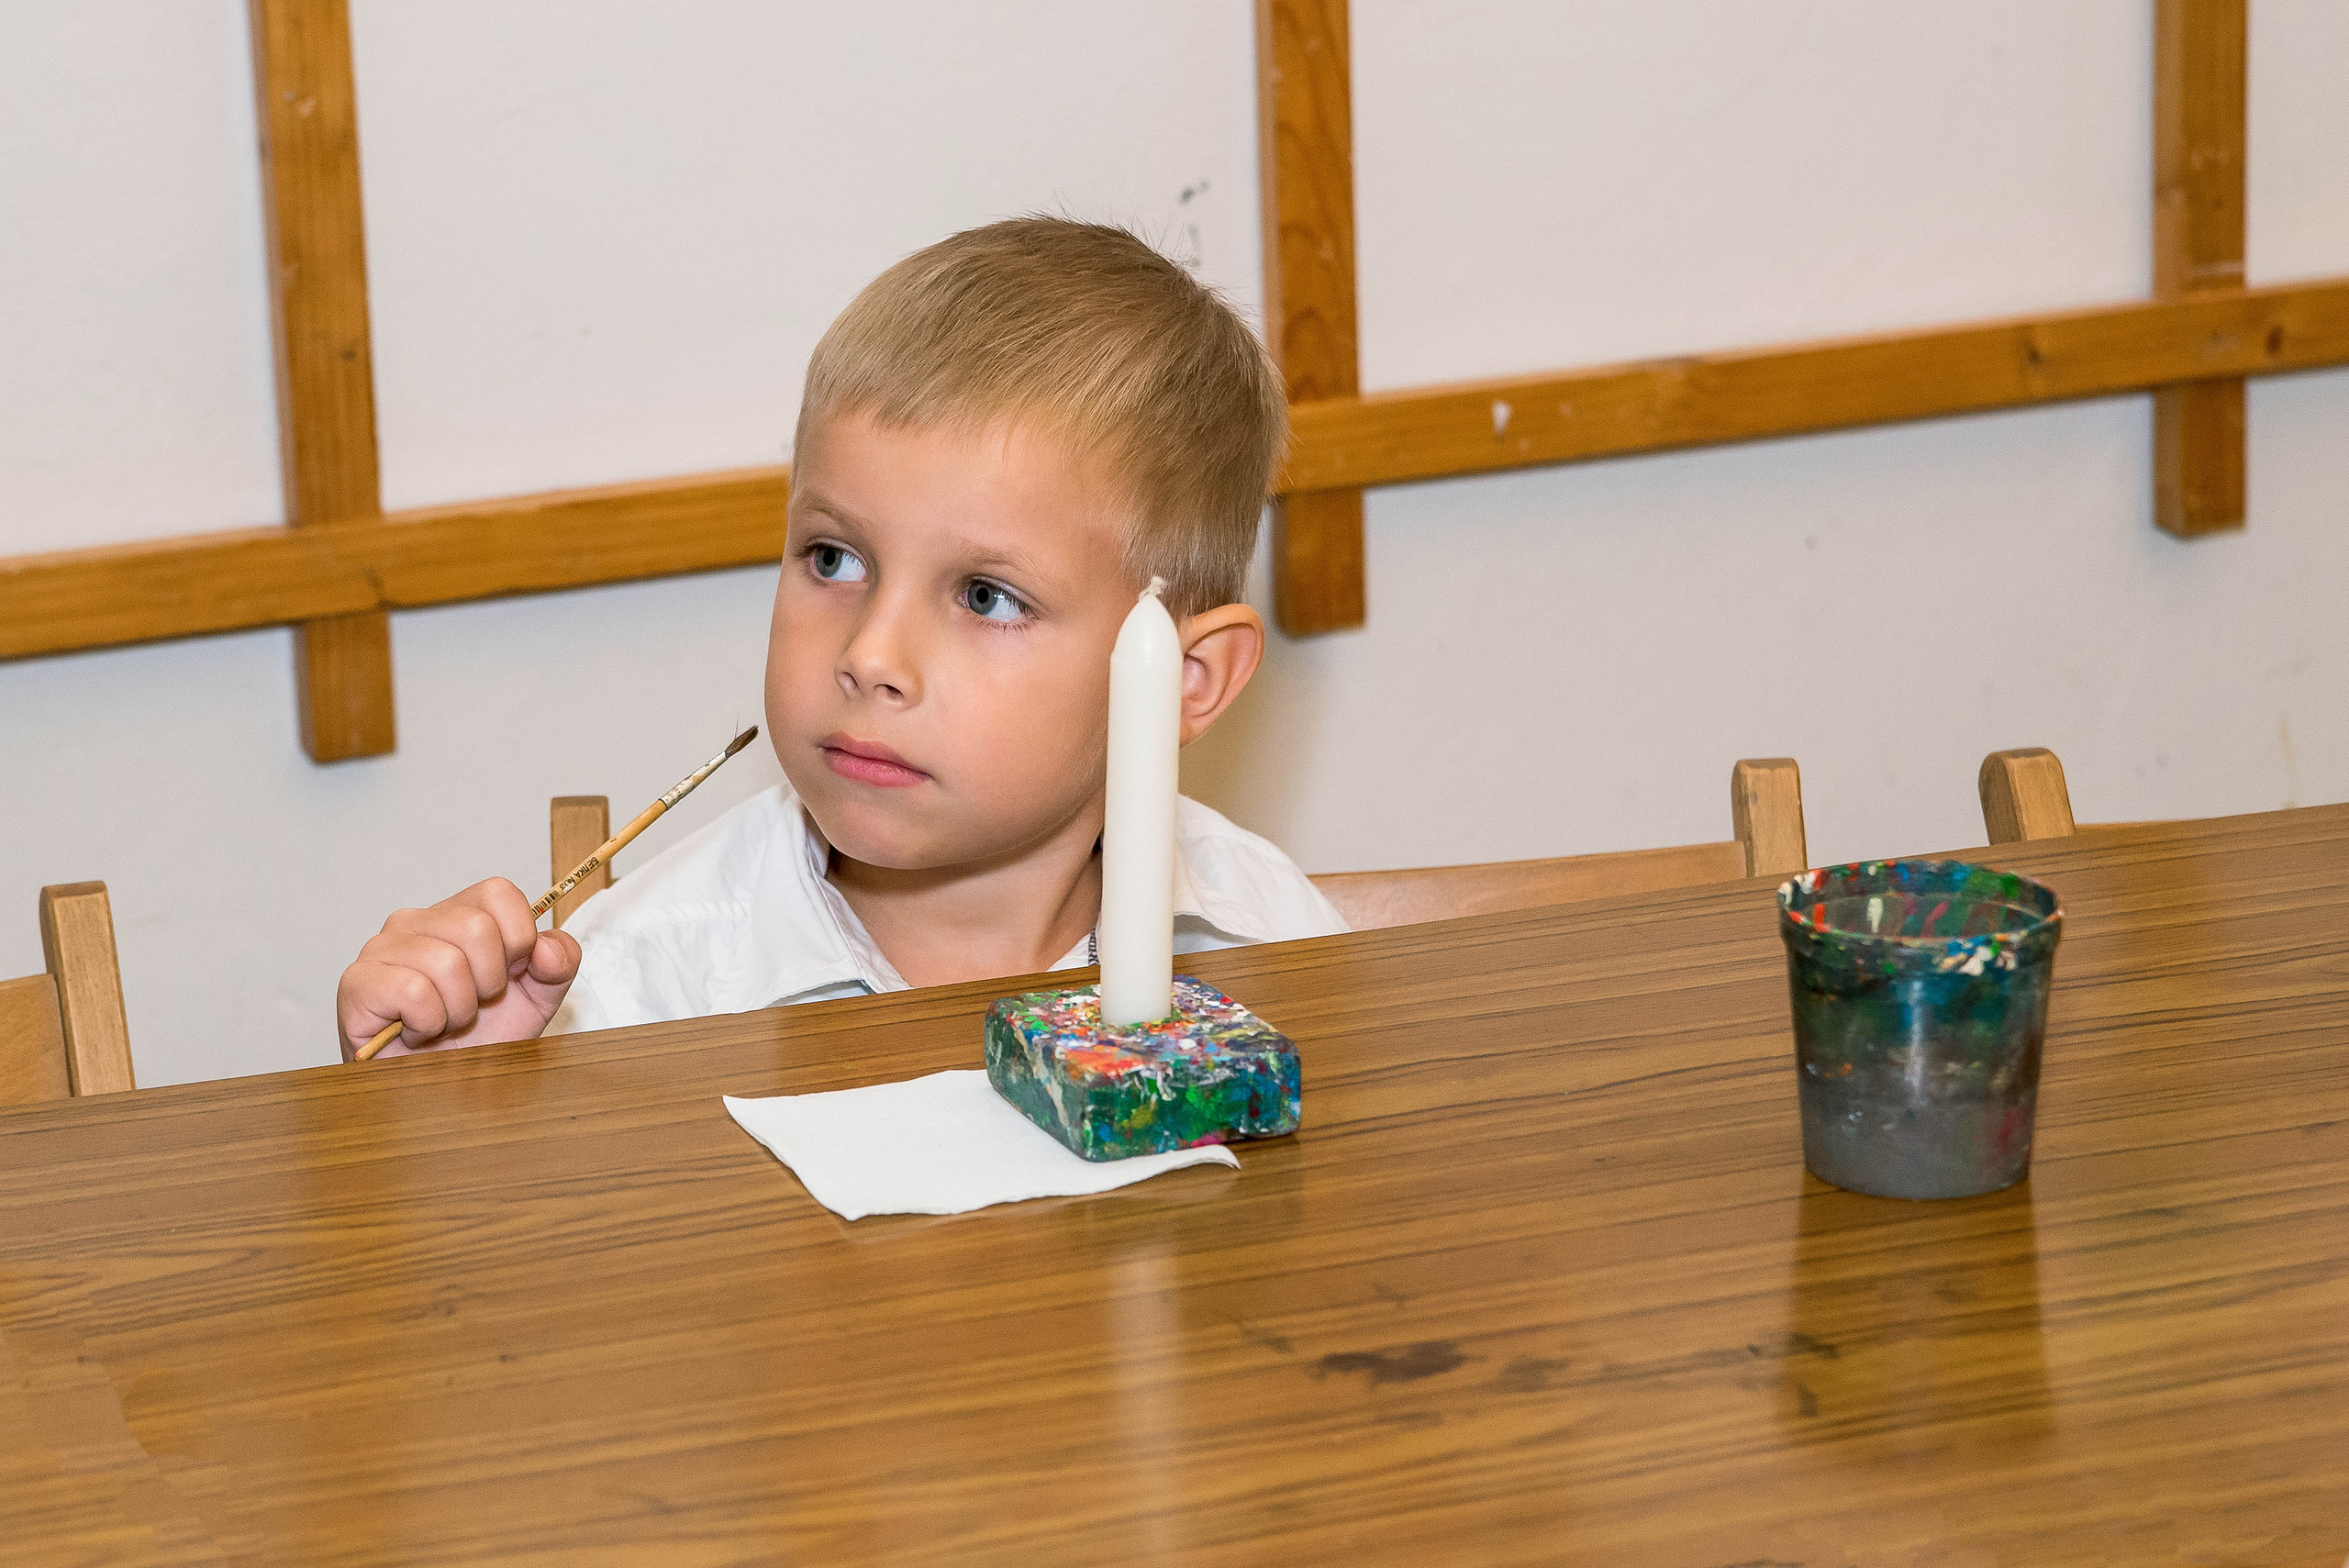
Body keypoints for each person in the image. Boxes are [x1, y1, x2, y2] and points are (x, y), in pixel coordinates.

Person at [336, 217, 1346, 1059]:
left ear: (1183, 679)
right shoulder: (627, 989)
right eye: (833, 560)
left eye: (987, 596)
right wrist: (445, 1119)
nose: (869, 655)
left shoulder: (1272, 942)